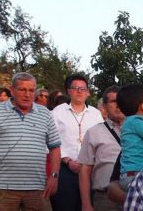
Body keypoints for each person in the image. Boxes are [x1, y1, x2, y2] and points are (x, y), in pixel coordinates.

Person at [0, 72, 61, 210]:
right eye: (22, 89)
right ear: (12, 90)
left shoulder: (45, 113)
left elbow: (55, 148)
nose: (27, 94)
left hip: (38, 188)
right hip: (1, 189)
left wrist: (54, 177)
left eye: (31, 90)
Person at [51, 75, 104, 211]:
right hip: (65, 168)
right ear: (68, 91)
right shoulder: (58, 112)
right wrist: (67, 160)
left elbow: (100, 140)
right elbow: (52, 140)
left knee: (88, 205)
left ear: (87, 92)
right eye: (75, 88)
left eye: (83, 89)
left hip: (90, 170)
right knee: (65, 205)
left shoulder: (95, 114)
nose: (79, 91)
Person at [78, 86, 124, 211]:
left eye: (121, 100)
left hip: (136, 197)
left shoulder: (142, 131)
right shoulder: (94, 132)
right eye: (114, 101)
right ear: (104, 106)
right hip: (105, 199)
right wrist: (86, 204)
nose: (118, 105)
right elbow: (84, 171)